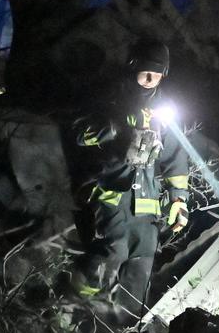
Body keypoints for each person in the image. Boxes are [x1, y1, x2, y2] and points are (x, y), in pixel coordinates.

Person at [70, 38, 192, 318]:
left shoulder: (166, 109)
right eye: (145, 71)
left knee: (140, 266)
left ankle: (122, 331)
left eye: (157, 72)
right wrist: (114, 127)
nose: (150, 78)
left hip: (148, 203)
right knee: (109, 255)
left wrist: (178, 201)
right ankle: (76, 315)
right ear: (132, 67)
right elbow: (78, 133)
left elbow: (176, 157)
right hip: (114, 195)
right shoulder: (111, 98)